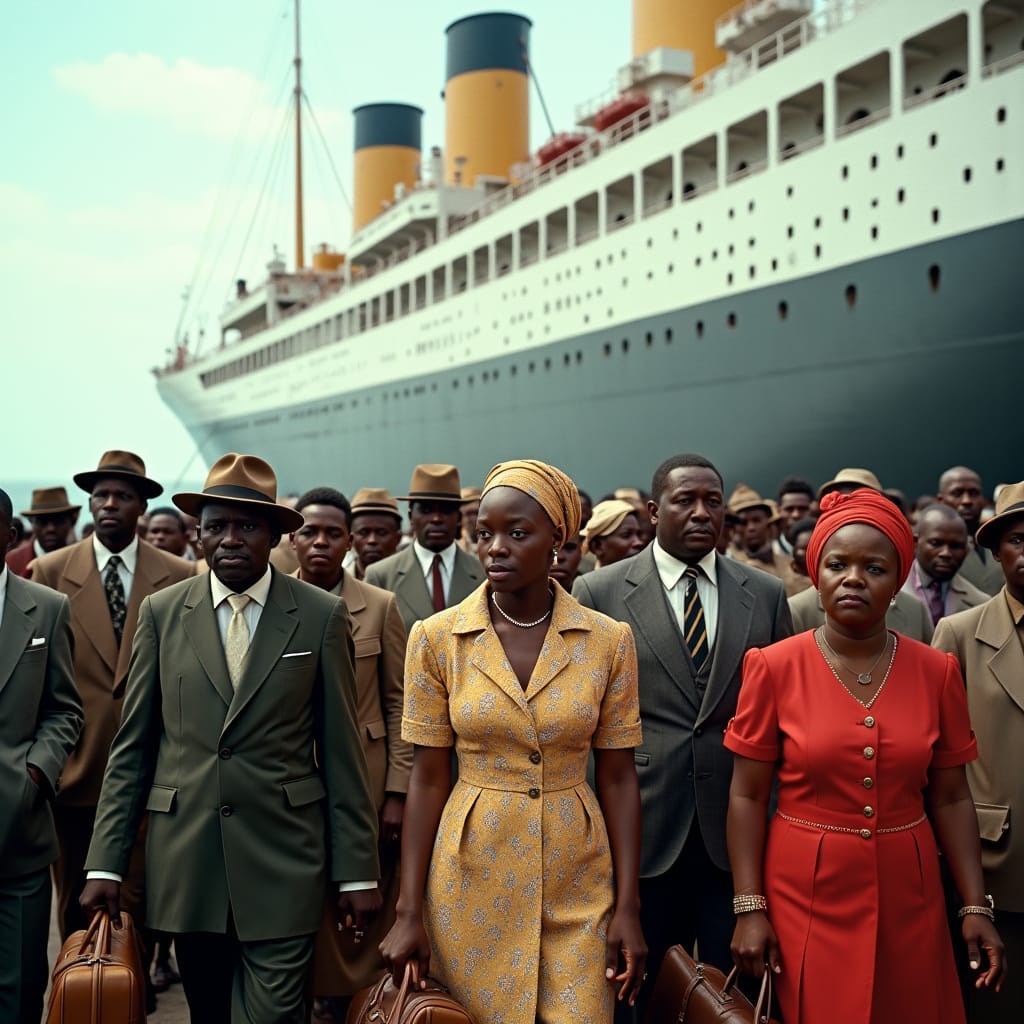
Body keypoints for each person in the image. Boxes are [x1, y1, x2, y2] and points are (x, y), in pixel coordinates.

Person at [79, 454, 381, 1024]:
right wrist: (105, 865)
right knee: (209, 1013)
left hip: (286, 858)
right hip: (188, 862)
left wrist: (358, 871)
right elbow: (133, 749)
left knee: (270, 1015)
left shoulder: (320, 616)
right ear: (199, 534)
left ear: (274, 536)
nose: (231, 539)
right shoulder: (162, 614)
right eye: (217, 525)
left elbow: (342, 752)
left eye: (247, 526)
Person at [725, 487, 1005, 1023]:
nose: (853, 578)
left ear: (897, 582)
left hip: (910, 890)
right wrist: (749, 906)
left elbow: (950, 797)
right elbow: (746, 793)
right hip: (803, 890)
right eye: (837, 564)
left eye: (874, 567)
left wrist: (973, 904)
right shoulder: (773, 666)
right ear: (816, 573)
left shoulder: (936, 671)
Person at [381, 460, 646, 1024]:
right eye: (484, 533)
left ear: (558, 541)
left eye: (517, 533)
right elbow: (427, 777)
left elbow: (620, 778)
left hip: (580, 872)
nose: (495, 548)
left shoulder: (607, 642)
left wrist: (629, 905)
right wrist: (408, 911)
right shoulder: (436, 639)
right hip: (470, 869)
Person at [573, 453, 792, 1018]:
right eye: (685, 501)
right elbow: (584, 717)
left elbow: (784, 716)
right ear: (652, 511)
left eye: (712, 502)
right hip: (640, 832)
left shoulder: (765, 594)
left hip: (735, 840)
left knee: (733, 1002)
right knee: (634, 997)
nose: (702, 513)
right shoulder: (598, 591)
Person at [29, 452, 193, 952]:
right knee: (76, 902)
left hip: (158, 767)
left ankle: (130, 994)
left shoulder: (181, 571)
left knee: (142, 903)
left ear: (143, 506)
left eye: (123, 496)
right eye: (101, 495)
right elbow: (31, 673)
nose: (109, 505)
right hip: (74, 768)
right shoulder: (51, 571)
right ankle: (80, 993)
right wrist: (41, 763)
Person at [288, 486, 412, 1020]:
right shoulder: (271, 603)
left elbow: (401, 704)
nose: (320, 542)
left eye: (332, 533)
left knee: (359, 907)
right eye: (309, 532)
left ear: (350, 542)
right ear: (291, 540)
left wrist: (397, 793)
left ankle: (355, 1006)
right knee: (304, 904)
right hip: (292, 780)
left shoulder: (379, 606)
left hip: (366, 782)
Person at [933, 480, 1024, 1022]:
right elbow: (936, 759)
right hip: (997, 863)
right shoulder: (960, 633)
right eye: (1017, 540)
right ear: (995, 551)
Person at [0, 487, 82, 1024]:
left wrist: (36, 772)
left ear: (10, 537)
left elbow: (65, 709)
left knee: (20, 991)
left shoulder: (46, 608)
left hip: (20, 840)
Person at [365, 464, 483, 632]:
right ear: (411, 516)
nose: (436, 519)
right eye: (426, 510)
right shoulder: (381, 577)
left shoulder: (483, 575)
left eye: (446, 510)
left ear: (458, 517)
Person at [904, 503, 989, 625]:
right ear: (916, 543)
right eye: (936, 543)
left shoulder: (981, 603)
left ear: (967, 550)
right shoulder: (889, 593)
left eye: (955, 546)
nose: (946, 553)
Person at [938, 466, 1004, 595]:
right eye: (957, 493)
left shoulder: (998, 540)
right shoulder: (935, 548)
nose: (967, 501)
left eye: (974, 493)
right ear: (941, 501)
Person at [728, 485, 805, 596]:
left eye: (757, 520)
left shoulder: (789, 562)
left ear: (768, 524)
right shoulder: (732, 570)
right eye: (743, 523)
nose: (751, 528)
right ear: (734, 529)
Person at [5, 486, 80, 578]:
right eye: (42, 522)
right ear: (31, 523)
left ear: (72, 522)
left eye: (58, 520)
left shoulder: (84, 560)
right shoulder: (11, 563)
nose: (50, 529)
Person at [347, 488, 404, 580]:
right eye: (364, 532)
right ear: (350, 539)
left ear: (398, 538)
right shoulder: (336, 581)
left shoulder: (415, 579)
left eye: (381, 533)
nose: (372, 540)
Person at [581, 499, 645, 568]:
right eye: (626, 535)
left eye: (638, 535)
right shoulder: (581, 577)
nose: (638, 542)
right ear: (597, 547)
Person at [457, 486, 481, 553]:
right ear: (459, 519)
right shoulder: (455, 548)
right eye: (469, 514)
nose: (474, 518)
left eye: (477, 513)